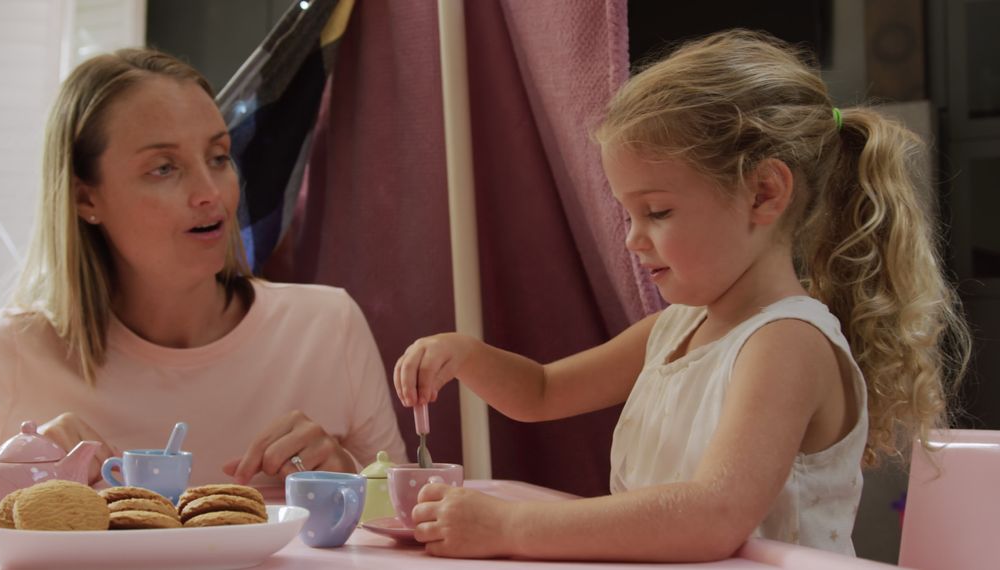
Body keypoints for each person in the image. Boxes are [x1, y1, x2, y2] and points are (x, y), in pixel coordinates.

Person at [393, 30, 970, 561]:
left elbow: (712, 516)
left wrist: (511, 528)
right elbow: (541, 392)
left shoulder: (786, 344)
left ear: (764, 193)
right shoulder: (672, 330)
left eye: (658, 211)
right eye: (628, 213)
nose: (632, 238)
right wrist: (466, 355)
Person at [0, 48, 406, 493]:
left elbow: (403, 533)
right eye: (164, 168)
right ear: (85, 197)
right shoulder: (8, 356)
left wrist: (349, 480)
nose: (210, 194)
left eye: (218, 157)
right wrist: (16, 482)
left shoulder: (328, 328)